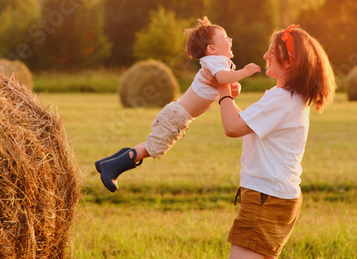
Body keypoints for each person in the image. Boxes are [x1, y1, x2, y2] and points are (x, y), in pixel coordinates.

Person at [200, 25, 336, 258]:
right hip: (274, 195)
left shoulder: (282, 99)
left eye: (271, 52)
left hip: (266, 197)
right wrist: (228, 95)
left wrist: (222, 85)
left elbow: (232, 128)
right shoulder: (291, 98)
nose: (265, 56)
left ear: (289, 61)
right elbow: (245, 122)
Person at [95, 17, 261, 192]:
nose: (230, 39)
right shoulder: (215, 61)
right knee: (153, 148)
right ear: (211, 49)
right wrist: (245, 72)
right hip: (176, 117)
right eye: (225, 37)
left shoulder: (221, 63)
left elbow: (227, 83)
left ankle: (107, 163)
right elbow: (223, 79)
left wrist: (236, 87)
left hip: (177, 116)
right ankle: (111, 168)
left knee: (151, 144)